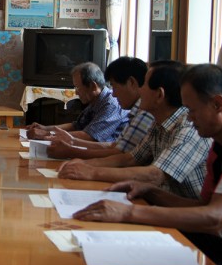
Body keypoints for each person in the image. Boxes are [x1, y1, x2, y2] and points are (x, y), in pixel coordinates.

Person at [73, 64, 222, 265]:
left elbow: (215, 218)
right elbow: (203, 206)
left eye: (192, 110)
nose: (189, 118)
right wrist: (151, 192)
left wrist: (128, 213)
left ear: (218, 104)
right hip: (214, 243)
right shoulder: (219, 139)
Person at [58, 61, 211, 199]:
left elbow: (155, 175)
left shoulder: (188, 128)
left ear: (159, 94)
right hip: (159, 200)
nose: (140, 90)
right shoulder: (159, 122)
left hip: (188, 213)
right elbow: (130, 158)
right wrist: (86, 164)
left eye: (144, 84)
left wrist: (91, 172)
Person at [46, 56, 154, 159]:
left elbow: (121, 156)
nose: (114, 94)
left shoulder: (140, 112)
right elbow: (114, 146)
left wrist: (70, 149)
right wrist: (66, 139)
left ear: (131, 83)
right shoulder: (135, 111)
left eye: (114, 86)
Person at [27, 62, 129, 142]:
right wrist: (45, 128)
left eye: (78, 87)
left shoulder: (111, 104)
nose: (76, 92)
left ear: (93, 86)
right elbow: (76, 125)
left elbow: (90, 136)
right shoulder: (95, 100)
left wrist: (46, 134)